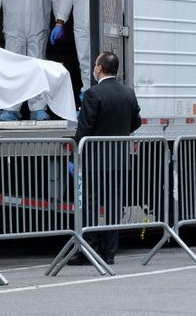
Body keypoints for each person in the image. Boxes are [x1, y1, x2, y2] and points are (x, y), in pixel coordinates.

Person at [70, 51, 141, 266]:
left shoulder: (93, 94)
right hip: (119, 159)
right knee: (113, 206)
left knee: (90, 205)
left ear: (99, 68)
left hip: (95, 160)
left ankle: (89, 250)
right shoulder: (128, 93)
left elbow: (84, 129)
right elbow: (136, 121)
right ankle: (109, 253)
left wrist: (75, 152)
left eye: (95, 63)